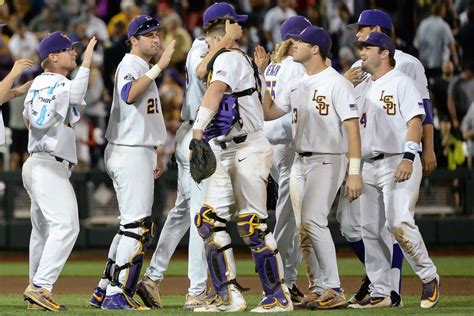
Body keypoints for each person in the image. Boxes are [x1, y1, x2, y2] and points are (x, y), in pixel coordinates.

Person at [191, 2, 292, 312]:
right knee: (208, 221)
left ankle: (277, 296)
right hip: (231, 149)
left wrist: (197, 131)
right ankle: (229, 296)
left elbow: (216, 89)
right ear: (221, 29)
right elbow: (206, 76)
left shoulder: (232, 58)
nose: (241, 27)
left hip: (248, 147)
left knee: (252, 225)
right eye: (235, 23)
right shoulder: (226, 56)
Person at [135, 20, 243, 310]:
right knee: (201, 215)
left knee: (183, 212)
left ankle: (153, 277)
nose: (238, 34)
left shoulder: (209, 48)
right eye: (233, 30)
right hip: (197, 138)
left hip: (191, 136)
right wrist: (223, 41)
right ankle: (196, 290)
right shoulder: (200, 47)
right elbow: (200, 70)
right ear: (218, 33)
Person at [259, 26, 362, 310]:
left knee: (314, 220)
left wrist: (354, 171)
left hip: (328, 158)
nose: (294, 45)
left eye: (300, 42)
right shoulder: (298, 83)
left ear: (315, 48)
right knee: (304, 227)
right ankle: (318, 287)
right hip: (300, 161)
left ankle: (335, 288)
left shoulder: (336, 83)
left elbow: (352, 129)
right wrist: (266, 73)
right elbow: (268, 113)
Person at [341, 9, 437, 305]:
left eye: (367, 46)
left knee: (399, 223)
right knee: (369, 231)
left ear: (384, 51)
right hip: (368, 164)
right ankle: (381, 292)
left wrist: (412, 155)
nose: (361, 49)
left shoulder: (402, 79)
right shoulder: (363, 81)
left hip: (397, 160)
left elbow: (416, 119)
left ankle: (428, 276)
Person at [89, 15, 175, 310]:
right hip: (129, 150)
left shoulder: (140, 67)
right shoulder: (131, 64)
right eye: (148, 34)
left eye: (157, 33)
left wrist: (154, 151)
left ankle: (103, 289)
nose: (155, 38)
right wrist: (159, 67)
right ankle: (117, 293)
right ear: (133, 40)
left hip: (138, 149)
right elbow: (128, 95)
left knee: (130, 226)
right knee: (137, 226)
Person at [21, 32, 97, 312]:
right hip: (48, 165)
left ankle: (35, 289)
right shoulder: (57, 82)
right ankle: (41, 286)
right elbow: (77, 92)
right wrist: (88, 60)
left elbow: (28, 120)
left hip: (36, 163)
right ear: (52, 56)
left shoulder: (39, 85)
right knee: (67, 226)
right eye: (69, 50)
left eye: (76, 51)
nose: (74, 54)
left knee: (42, 232)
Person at [257, 15, 323, 306]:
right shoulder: (296, 66)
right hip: (286, 144)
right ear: (295, 39)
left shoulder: (274, 65)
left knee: (294, 217)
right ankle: (276, 282)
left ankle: (290, 281)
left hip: (271, 142)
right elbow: (302, 106)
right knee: (287, 219)